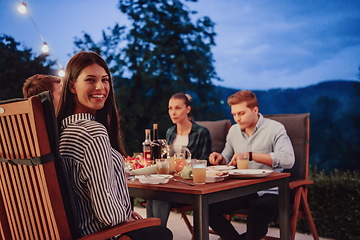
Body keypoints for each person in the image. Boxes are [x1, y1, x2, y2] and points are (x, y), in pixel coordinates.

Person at [57, 51, 172, 240]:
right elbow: (108, 215)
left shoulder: (63, 130)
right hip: (100, 235)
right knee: (160, 232)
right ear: (71, 86)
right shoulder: (93, 132)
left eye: (105, 80)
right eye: (90, 80)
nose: (100, 87)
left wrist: (125, 215)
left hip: (79, 231)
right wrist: (125, 217)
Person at [208, 90, 295, 240]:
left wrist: (250, 155)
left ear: (255, 110)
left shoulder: (275, 129)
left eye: (241, 113)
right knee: (208, 208)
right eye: (234, 114)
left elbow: (288, 159)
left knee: (258, 212)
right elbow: (227, 156)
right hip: (242, 189)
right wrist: (219, 158)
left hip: (271, 190)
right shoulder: (234, 131)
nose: (237, 118)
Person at [147, 92, 212, 226]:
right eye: (170, 108)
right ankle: (153, 234)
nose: (173, 112)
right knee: (152, 195)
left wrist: (184, 165)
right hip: (172, 183)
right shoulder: (170, 132)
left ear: (188, 109)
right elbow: (166, 160)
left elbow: (205, 162)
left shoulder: (202, 132)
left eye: (178, 108)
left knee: (159, 197)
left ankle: (158, 235)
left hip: (189, 187)